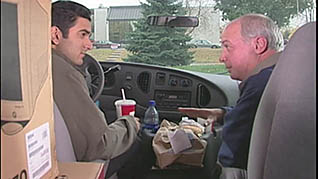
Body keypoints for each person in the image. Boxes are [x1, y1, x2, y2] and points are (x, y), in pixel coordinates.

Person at [51, 1, 154, 178]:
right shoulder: (64, 74)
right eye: (82, 35)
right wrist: (130, 123)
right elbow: (100, 144)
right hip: (82, 163)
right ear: (56, 35)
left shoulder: (45, 66)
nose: (89, 45)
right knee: (142, 140)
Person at [178, 14, 283, 178]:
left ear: (258, 44)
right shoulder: (280, 73)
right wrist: (223, 114)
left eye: (227, 46)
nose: (222, 57)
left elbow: (231, 156)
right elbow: (256, 117)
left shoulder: (260, 83)